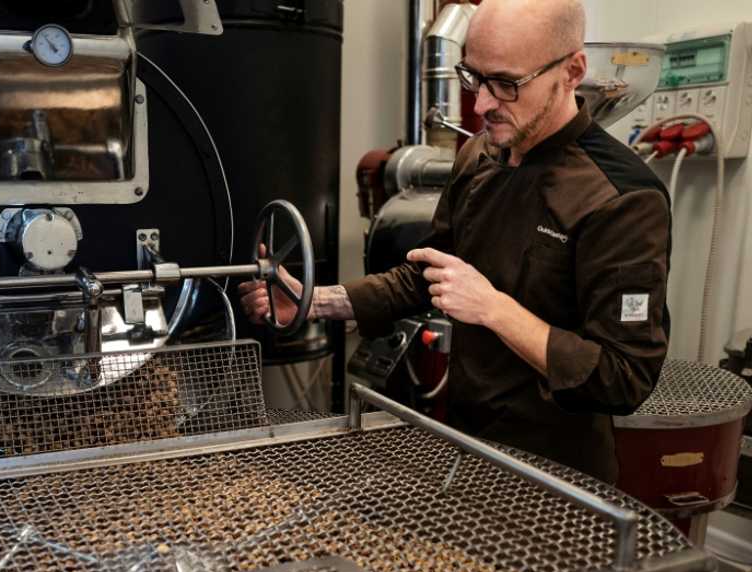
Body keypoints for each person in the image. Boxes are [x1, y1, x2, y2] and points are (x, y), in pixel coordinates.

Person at [238, 0, 671, 483]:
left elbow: (623, 378)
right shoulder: (479, 155)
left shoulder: (623, 200)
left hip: (560, 476)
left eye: (506, 83)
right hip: (468, 445)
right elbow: (426, 275)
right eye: (473, 77)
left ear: (572, 71)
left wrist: (493, 309)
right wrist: (313, 301)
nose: (482, 103)